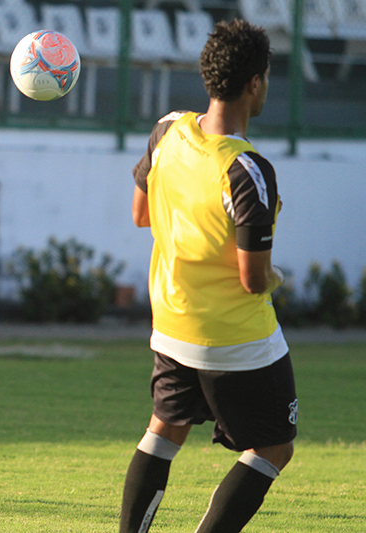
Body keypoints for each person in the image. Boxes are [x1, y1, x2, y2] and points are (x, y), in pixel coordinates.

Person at [120, 19, 298, 533]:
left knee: (165, 430)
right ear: (255, 84)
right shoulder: (248, 171)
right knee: (272, 446)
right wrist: (274, 277)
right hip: (234, 339)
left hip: (172, 323)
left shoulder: (167, 130)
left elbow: (141, 213)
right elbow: (251, 278)